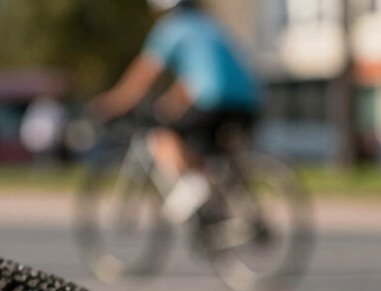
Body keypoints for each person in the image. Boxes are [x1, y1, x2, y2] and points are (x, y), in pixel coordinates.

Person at [91, 0, 261, 224]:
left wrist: (112, 103)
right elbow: (196, 78)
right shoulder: (208, 25)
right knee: (210, 154)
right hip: (249, 100)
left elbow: (142, 77)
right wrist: (170, 102)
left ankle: (194, 186)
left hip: (214, 100)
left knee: (161, 133)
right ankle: (230, 212)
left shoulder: (171, 29)